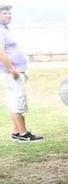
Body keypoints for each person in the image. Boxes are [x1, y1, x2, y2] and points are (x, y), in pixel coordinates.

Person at [0, 5, 41, 142]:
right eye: (5, 13)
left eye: (9, 13)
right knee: (17, 101)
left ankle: (17, 131)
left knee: (14, 101)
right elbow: (1, 52)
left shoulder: (5, 30)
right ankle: (23, 134)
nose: (8, 15)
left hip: (15, 71)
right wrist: (12, 69)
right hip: (11, 72)